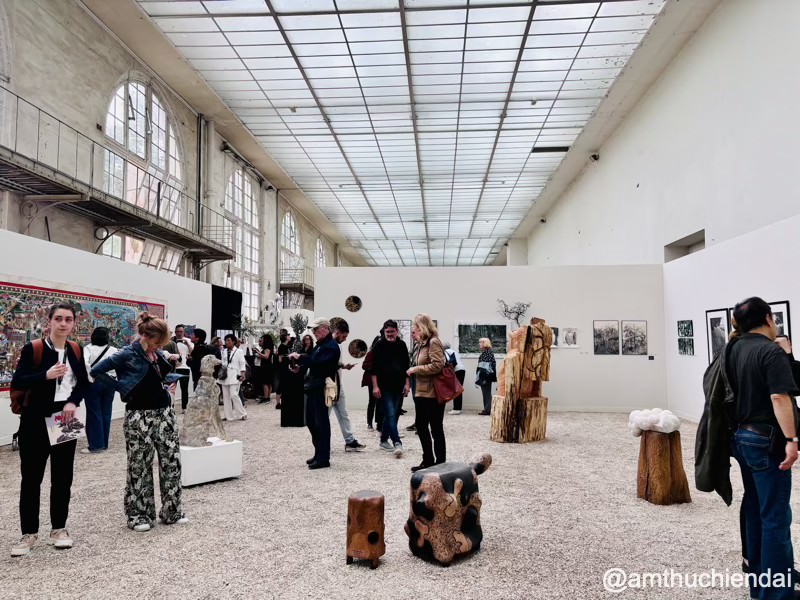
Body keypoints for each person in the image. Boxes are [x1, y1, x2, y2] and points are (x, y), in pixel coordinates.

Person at [726, 297, 797, 600]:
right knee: (775, 517)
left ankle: (760, 586)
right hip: (768, 440)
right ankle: (777, 594)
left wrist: (789, 357)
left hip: (741, 438)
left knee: (756, 508)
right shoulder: (768, 351)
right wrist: (792, 441)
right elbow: (779, 398)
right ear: (769, 319)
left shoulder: (733, 348)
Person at [91, 312, 187, 533]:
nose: (159, 346)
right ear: (145, 336)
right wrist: (123, 388)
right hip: (139, 415)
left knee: (172, 462)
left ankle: (172, 511)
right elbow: (96, 371)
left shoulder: (156, 353)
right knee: (139, 466)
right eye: (157, 342)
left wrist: (167, 368)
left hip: (164, 412)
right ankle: (138, 514)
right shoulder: (126, 354)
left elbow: (158, 376)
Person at [11, 303, 87, 556]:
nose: (63, 324)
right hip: (34, 417)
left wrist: (72, 401)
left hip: (65, 416)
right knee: (31, 477)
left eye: (68, 319)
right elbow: (19, 380)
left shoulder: (76, 349)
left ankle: (59, 528)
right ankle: (29, 533)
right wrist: (46, 374)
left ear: (73, 323)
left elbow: (83, 384)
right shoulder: (33, 348)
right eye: (59, 319)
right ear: (50, 322)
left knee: (63, 476)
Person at [289, 318, 340, 470]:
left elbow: (320, 364)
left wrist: (301, 358)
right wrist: (300, 367)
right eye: (313, 330)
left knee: (321, 423)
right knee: (311, 421)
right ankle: (319, 453)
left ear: (325, 329)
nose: (314, 333)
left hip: (322, 387)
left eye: (316, 330)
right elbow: (313, 363)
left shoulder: (331, 346)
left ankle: (324, 457)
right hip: (314, 386)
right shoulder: (321, 345)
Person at [406, 314, 445, 472]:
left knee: (435, 428)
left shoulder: (433, 342)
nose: (413, 329)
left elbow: (438, 366)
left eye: (414, 326)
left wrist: (415, 369)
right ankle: (428, 460)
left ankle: (440, 462)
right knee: (422, 427)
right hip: (421, 392)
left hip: (433, 394)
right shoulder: (420, 344)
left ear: (421, 326)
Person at [371, 319, 410, 458]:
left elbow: (407, 367)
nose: (390, 334)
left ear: (397, 331)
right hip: (384, 386)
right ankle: (397, 442)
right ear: (384, 332)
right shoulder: (379, 345)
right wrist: (375, 386)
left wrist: (407, 384)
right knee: (391, 413)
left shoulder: (402, 345)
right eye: (387, 332)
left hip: (399, 385)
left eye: (392, 331)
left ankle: (383, 440)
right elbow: (373, 368)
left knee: (392, 414)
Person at [330, 319, 366, 452]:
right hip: (330, 386)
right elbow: (328, 364)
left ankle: (350, 441)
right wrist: (343, 365)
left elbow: (334, 363)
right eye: (344, 336)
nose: (345, 339)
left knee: (343, 414)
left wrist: (343, 366)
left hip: (338, 384)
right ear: (338, 333)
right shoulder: (330, 345)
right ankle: (322, 444)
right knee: (325, 416)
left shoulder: (337, 345)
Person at [82, 326, 118, 454]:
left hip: (94, 382)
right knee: (106, 412)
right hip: (110, 382)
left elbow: (85, 364)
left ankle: (96, 445)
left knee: (94, 413)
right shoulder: (114, 349)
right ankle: (104, 443)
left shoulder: (88, 348)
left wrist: (89, 377)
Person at [220, 334, 247, 421]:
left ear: (233, 341)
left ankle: (242, 414)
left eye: (228, 340)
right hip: (225, 376)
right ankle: (228, 416)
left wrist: (242, 374)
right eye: (226, 340)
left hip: (235, 375)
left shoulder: (239, 351)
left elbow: (242, 363)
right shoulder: (223, 351)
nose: (227, 342)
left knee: (234, 394)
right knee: (226, 396)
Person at [363, 333, 384, 432]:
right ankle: (369, 423)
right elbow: (364, 365)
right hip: (372, 381)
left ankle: (378, 422)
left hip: (382, 380)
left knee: (380, 402)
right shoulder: (371, 353)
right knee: (372, 402)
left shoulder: (384, 353)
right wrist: (374, 366)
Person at [171, 325, 194, 411]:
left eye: (181, 331)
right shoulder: (171, 341)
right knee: (172, 388)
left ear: (184, 332)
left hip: (185, 367)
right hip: (173, 368)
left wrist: (187, 344)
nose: (179, 333)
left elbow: (192, 352)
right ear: (175, 331)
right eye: (178, 331)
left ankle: (184, 407)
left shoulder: (188, 341)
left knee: (184, 388)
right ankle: (171, 407)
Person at [443, 341, 466, 415]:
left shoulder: (445, 352)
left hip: (456, 371)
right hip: (462, 370)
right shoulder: (454, 351)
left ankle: (457, 408)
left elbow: (447, 363)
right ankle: (458, 407)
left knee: (456, 390)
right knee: (459, 389)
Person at [476, 338, 497, 415]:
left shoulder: (487, 353)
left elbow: (486, 367)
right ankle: (487, 409)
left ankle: (488, 410)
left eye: (480, 342)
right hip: (485, 376)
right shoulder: (486, 352)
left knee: (486, 393)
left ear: (485, 343)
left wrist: (483, 378)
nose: (479, 344)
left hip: (486, 377)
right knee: (485, 393)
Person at [256, 334, 274, 404]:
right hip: (269, 366)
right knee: (269, 383)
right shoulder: (269, 347)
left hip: (266, 367)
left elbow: (266, 356)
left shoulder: (267, 348)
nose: (262, 340)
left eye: (263, 339)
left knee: (265, 383)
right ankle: (268, 397)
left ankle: (266, 397)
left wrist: (258, 352)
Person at [274, 330, 290, 409]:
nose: (289, 336)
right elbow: (280, 359)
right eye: (288, 335)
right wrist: (287, 357)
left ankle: (281, 402)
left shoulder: (286, 346)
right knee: (281, 385)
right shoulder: (282, 347)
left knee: (284, 385)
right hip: (283, 368)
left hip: (285, 368)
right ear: (286, 337)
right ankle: (277, 403)